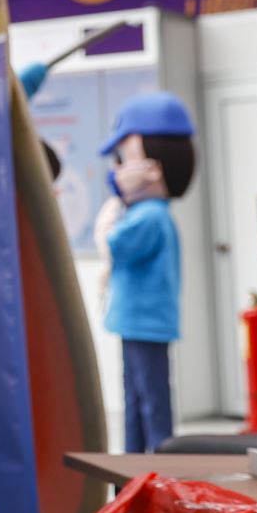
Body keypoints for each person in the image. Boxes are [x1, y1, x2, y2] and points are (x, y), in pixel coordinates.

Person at [93, 91, 197, 454]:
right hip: (137, 322)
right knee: (136, 401)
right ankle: (133, 472)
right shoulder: (150, 213)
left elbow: (113, 244)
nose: (118, 169)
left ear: (152, 164)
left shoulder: (150, 215)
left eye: (124, 158)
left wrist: (116, 201)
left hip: (144, 323)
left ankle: (157, 472)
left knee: (151, 403)